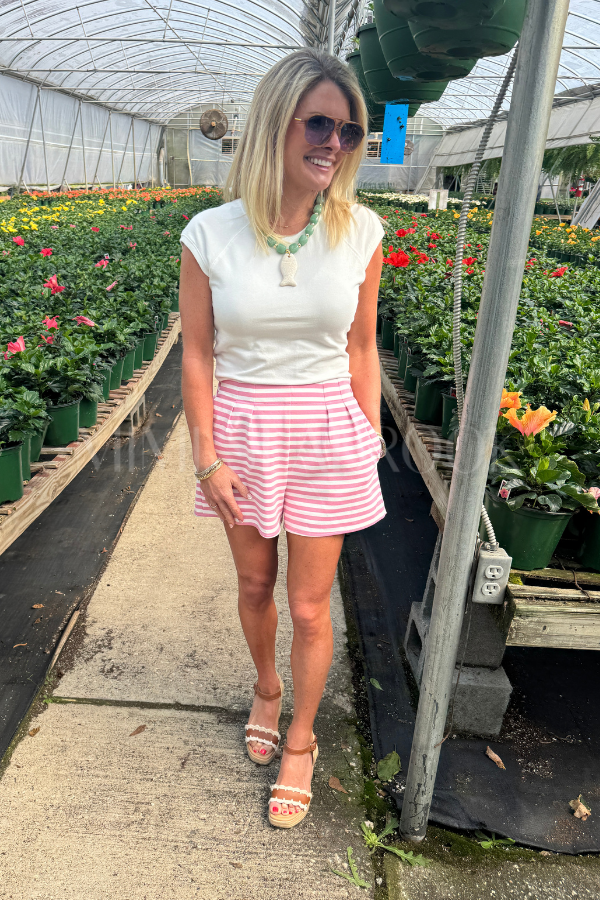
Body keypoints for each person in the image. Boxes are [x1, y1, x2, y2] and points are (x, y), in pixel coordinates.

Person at [179, 47, 386, 830]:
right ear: (276, 125)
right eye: (320, 125)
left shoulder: (360, 231)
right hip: (243, 431)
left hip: (329, 430)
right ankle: (267, 688)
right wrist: (206, 457)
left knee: (309, 605)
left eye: (349, 131)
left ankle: (302, 735)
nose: (335, 144)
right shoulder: (210, 234)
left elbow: (362, 347)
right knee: (254, 585)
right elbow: (197, 354)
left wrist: (369, 439)